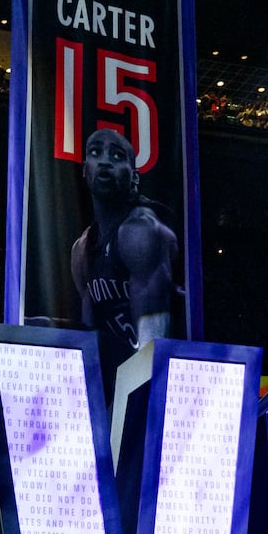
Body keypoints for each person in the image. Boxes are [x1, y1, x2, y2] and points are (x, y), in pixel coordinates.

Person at [69, 128, 179, 381]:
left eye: (117, 156)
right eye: (96, 152)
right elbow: (89, 333)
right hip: (114, 371)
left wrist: (141, 395)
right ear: (85, 170)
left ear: (134, 178)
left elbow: (153, 340)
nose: (105, 160)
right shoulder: (81, 249)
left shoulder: (140, 231)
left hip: (156, 372)